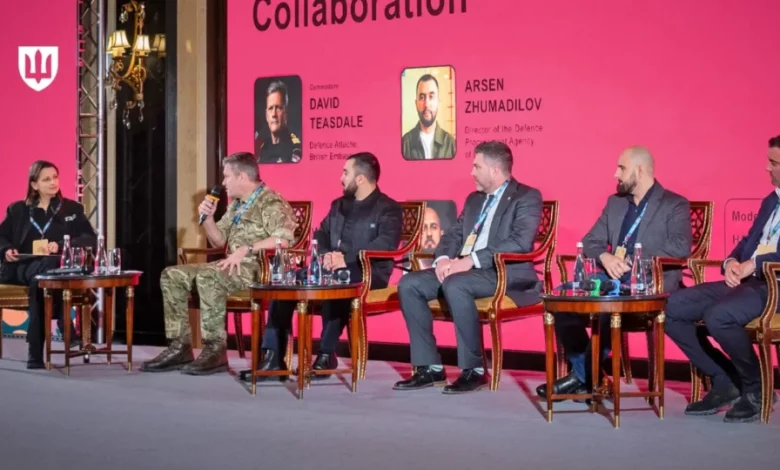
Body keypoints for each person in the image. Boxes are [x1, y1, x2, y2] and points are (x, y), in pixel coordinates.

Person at [536, 146, 691, 400]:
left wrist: (634, 260)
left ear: (639, 171)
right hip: (612, 278)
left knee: (608, 303)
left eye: (621, 168)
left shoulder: (674, 204)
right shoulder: (616, 203)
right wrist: (606, 257)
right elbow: (590, 241)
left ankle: (582, 377)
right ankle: (590, 375)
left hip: (649, 282)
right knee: (562, 297)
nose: (615, 174)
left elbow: (680, 246)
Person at [393, 140, 542, 393]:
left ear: (495, 170)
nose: (471, 172)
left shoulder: (526, 196)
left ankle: (475, 370)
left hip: (503, 272)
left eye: (477, 166)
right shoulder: (474, 199)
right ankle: (429, 367)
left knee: (456, 284)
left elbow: (520, 242)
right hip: (466, 271)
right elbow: (453, 234)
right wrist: (442, 259)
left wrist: (470, 260)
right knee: (410, 283)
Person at [239, 152, 403, 382]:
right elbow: (322, 234)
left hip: (368, 272)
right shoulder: (339, 205)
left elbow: (386, 243)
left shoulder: (388, 208)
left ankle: (326, 354)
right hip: (329, 268)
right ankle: (273, 357)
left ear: (360, 179)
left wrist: (345, 259)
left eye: (345, 173)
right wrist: (326, 256)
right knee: (285, 283)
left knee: (339, 283)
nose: (340, 178)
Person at [141, 152, 297, 375]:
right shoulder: (237, 205)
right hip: (232, 265)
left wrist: (247, 249)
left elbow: (284, 239)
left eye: (227, 176)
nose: (223, 183)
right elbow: (219, 241)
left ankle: (215, 349)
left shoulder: (271, 202)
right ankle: (179, 346)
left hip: (258, 268)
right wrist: (208, 219)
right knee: (172, 275)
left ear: (242, 176)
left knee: (209, 276)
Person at [664, 135, 780, 423]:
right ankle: (724, 379)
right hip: (749, 282)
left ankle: (756, 388)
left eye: (774, 162)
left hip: (774, 285)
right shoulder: (771, 201)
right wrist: (731, 262)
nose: (767, 168)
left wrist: (755, 264)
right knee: (671, 307)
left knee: (719, 316)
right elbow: (748, 242)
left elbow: (763, 256)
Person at [0, 160, 96, 369]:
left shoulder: (71, 208)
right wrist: (6, 250)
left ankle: (34, 355)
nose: (53, 182)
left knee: (42, 280)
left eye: (55, 177)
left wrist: (61, 244)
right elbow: (2, 237)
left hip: (55, 268)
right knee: (46, 273)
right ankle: (65, 324)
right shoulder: (18, 209)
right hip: (22, 266)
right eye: (46, 179)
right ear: (34, 185)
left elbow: (90, 239)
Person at [401, 74, 456, 160]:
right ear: (416, 103)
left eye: (431, 97)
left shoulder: (451, 144)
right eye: (422, 97)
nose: (426, 104)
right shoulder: (404, 144)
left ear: (438, 102)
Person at [257, 80, 302, 164]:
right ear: (266, 116)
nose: (274, 114)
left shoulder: (295, 149)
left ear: (286, 113)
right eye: (270, 108)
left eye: (278, 108)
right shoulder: (262, 150)